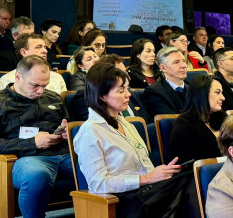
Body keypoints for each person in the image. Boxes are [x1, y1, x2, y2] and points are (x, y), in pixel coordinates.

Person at [0, 55, 73, 218]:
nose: (41, 91)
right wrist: (32, 143)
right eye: (35, 86)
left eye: (44, 85)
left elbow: (66, 125)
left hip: (61, 152)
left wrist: (68, 133)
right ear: (18, 77)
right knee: (36, 175)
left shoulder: (53, 98)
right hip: (27, 157)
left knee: (95, 165)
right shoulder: (1, 102)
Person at [74, 60, 181, 193]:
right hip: (123, 198)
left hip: (146, 191)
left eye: (127, 88)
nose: (128, 94)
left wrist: (161, 173)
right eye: (121, 90)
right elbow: (99, 184)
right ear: (101, 96)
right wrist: (146, 178)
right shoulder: (90, 132)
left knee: (187, 183)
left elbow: (145, 168)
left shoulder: (126, 124)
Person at [70, 55, 152, 124]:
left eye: (125, 73)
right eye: (120, 73)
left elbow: (147, 121)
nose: (127, 77)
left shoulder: (131, 93)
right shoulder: (85, 96)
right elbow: (97, 125)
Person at [169, 74, 225, 164]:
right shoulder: (184, 125)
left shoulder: (223, 119)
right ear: (202, 94)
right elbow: (186, 165)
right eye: (217, 92)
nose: (223, 98)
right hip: (202, 176)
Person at [0, 33, 67, 94]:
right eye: (38, 47)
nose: (45, 51)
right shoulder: (7, 80)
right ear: (24, 52)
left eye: (45, 47)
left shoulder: (57, 78)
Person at [143, 47, 188, 117]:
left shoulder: (194, 87)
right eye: (176, 62)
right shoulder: (154, 92)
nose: (184, 66)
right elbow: (170, 120)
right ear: (163, 68)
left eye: (184, 61)